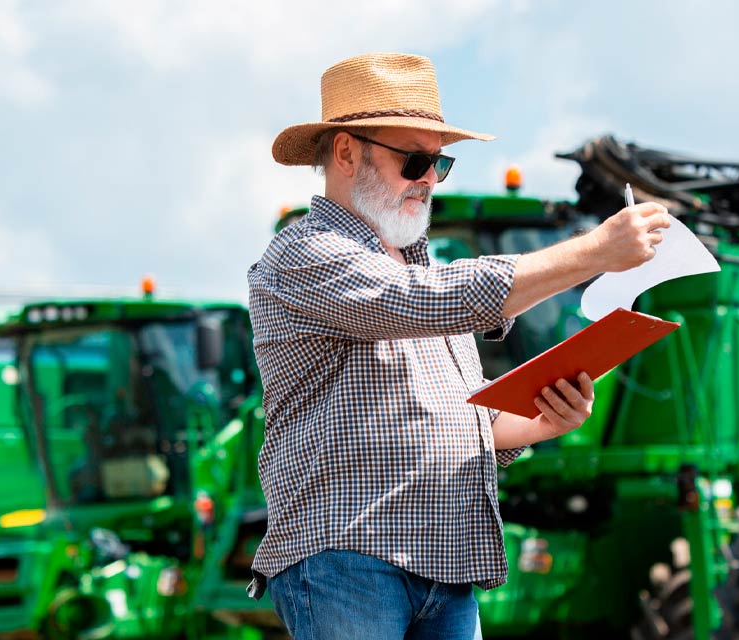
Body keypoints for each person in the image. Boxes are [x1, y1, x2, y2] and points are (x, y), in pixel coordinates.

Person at [247, 52, 670, 639]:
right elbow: (427, 300)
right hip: (348, 555)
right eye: (414, 160)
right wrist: (593, 253)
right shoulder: (304, 253)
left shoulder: (421, 271)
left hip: (445, 563)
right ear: (345, 152)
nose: (427, 179)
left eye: (438, 164)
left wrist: (536, 422)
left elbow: (460, 420)